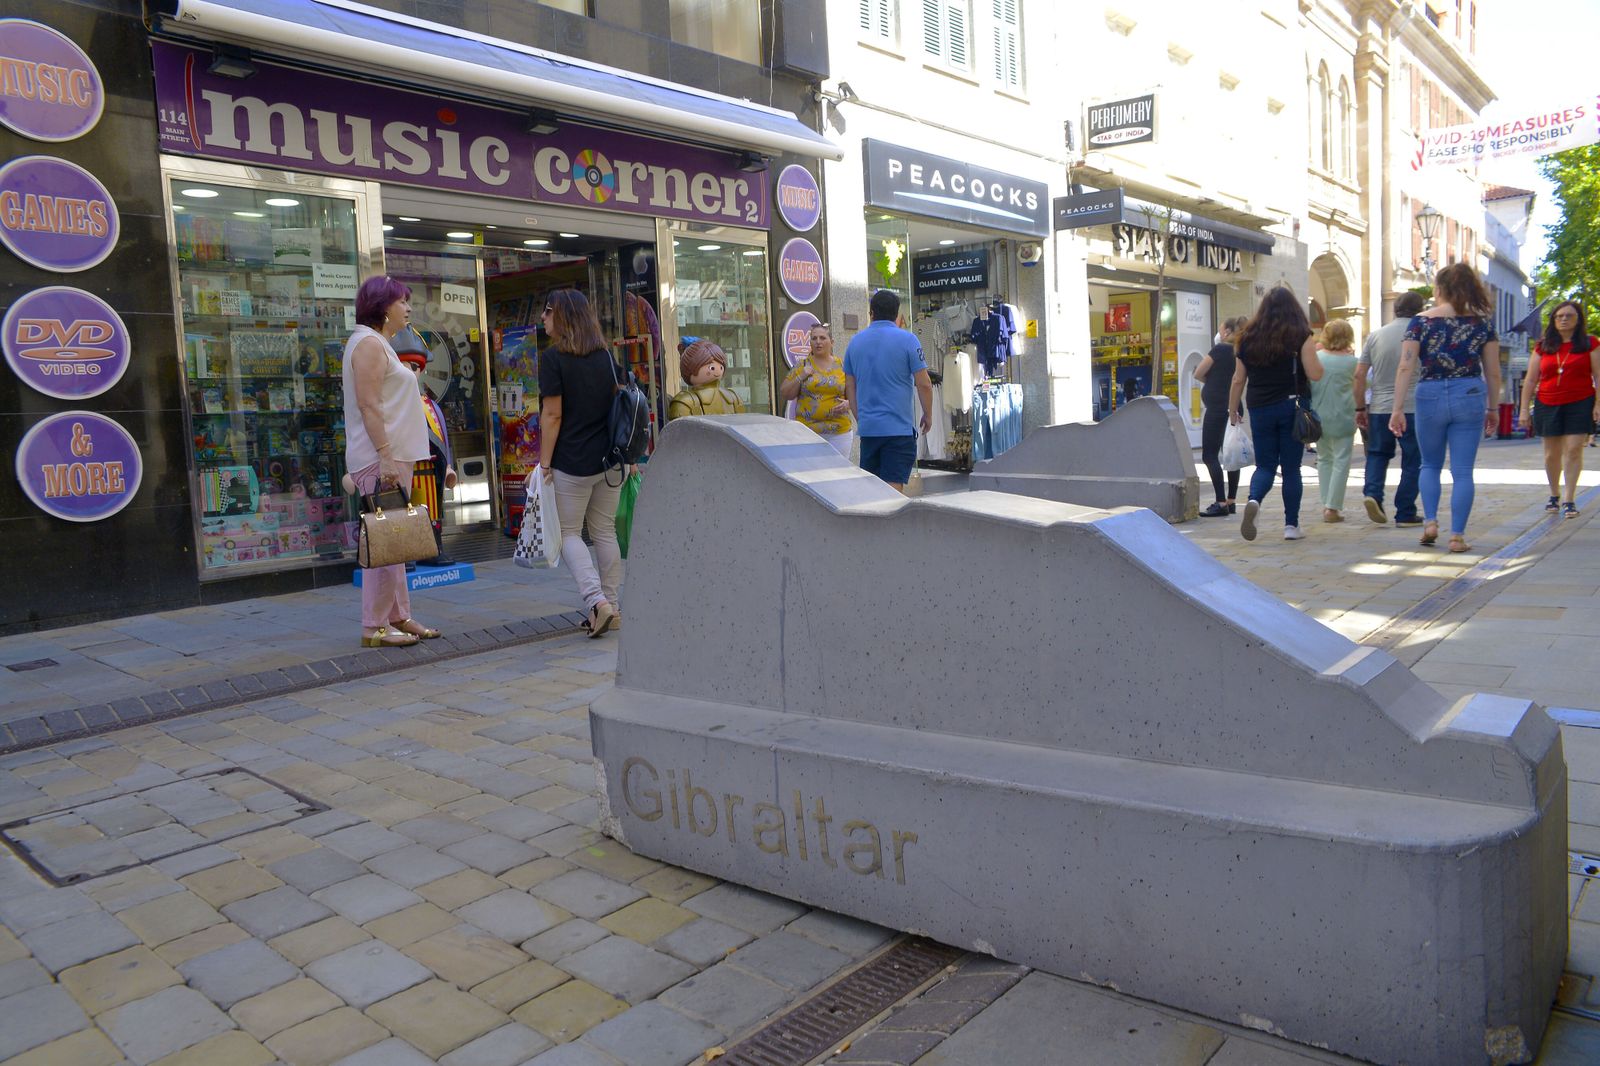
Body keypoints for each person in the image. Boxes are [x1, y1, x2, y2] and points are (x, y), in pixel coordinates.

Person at [343, 275, 438, 648]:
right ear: (383, 308)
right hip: (381, 457)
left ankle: (398, 615)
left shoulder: (377, 342)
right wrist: (384, 455)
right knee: (385, 542)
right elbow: (368, 405)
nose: (408, 308)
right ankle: (374, 626)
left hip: (393, 455)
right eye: (402, 302)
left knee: (396, 541)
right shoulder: (368, 344)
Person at [538, 289, 633, 637]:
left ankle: (597, 602)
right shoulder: (605, 356)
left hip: (572, 462)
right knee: (604, 531)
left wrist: (544, 463)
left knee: (568, 534)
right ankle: (613, 608)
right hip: (610, 461)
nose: (543, 317)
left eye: (548, 311)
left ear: (563, 316)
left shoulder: (554, 359)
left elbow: (552, 415)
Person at [1389, 263, 1502, 553]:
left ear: (1439, 289)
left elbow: (1405, 366)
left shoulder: (1420, 321)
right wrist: (1493, 408)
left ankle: (1430, 522)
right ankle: (1457, 536)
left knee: (1429, 464)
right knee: (1463, 471)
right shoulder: (1483, 324)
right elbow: (1493, 372)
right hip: (1469, 392)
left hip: (1430, 393)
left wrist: (1397, 408)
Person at [1227, 287, 1324, 542]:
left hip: (1259, 408)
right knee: (1291, 469)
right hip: (1291, 407)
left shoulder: (1246, 338)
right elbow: (1315, 374)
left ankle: (1254, 500)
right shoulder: (1300, 335)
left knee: (1265, 465)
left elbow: (1238, 379)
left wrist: (1232, 410)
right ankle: (1291, 526)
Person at [844, 290, 934, 491]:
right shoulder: (908, 340)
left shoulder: (855, 342)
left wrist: (861, 418)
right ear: (897, 314)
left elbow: (850, 386)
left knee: (872, 490)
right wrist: (928, 414)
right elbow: (924, 383)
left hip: (869, 430)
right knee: (892, 490)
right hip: (898, 429)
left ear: (871, 313)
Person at [1518, 300, 1598, 519]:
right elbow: (1531, 379)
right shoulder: (1543, 346)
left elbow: (1598, 376)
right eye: (1559, 316)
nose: (1563, 319)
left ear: (1578, 320)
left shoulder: (1590, 343)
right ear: (1553, 320)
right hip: (1547, 402)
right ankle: (1554, 494)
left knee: (1573, 449)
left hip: (1580, 402)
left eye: (1569, 316)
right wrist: (1524, 409)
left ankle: (1569, 499)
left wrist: (1598, 404)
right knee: (1551, 454)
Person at [1354, 291, 1426, 527]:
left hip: (1380, 406)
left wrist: (1360, 407)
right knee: (1414, 458)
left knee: (1377, 453)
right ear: (1420, 309)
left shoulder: (1376, 335)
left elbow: (1359, 374)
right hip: (1413, 405)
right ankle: (1405, 511)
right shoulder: (1423, 332)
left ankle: (1373, 494)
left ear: (1395, 309)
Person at [394, 327, 458, 566]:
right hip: (403, 468)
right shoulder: (391, 403)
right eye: (403, 366)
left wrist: (447, 466)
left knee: (431, 509)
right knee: (403, 510)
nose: (409, 373)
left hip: (429, 470)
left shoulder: (429, 405)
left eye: (413, 367)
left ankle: (433, 548)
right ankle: (406, 553)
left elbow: (441, 437)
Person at [1193, 316, 1246, 517]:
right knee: (1231, 453)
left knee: (1210, 454)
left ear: (1227, 332)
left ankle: (1220, 501)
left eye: (1221, 329)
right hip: (1234, 406)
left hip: (1217, 408)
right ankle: (1231, 500)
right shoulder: (1239, 350)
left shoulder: (1220, 349)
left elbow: (1198, 372)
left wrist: (1213, 381)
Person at [780, 323, 855, 457]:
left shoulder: (842, 366)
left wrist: (849, 404)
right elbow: (785, 393)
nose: (818, 342)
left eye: (822, 338)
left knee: (838, 469)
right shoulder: (802, 365)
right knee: (810, 469)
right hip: (807, 433)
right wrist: (801, 376)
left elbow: (856, 393)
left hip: (839, 433)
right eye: (814, 338)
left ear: (832, 342)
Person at [1311, 319, 1358, 523]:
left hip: (1318, 415)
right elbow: (1365, 383)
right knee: (1341, 460)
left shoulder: (1317, 358)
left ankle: (1326, 503)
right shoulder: (1352, 362)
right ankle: (1333, 507)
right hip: (1343, 416)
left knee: (1324, 459)